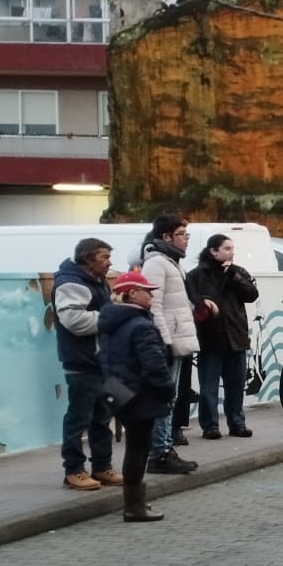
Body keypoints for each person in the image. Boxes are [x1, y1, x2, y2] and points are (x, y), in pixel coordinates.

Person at [97, 269, 177, 524]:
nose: (152, 296)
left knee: (135, 446)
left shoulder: (112, 322)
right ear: (132, 293)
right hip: (142, 394)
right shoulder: (141, 325)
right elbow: (155, 366)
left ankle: (135, 502)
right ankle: (134, 506)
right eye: (147, 292)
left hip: (120, 391)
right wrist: (167, 390)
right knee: (138, 450)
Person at [53, 237, 123, 493]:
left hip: (100, 363)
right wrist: (111, 316)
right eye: (104, 257)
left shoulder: (96, 281)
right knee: (78, 419)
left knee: (102, 418)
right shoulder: (70, 283)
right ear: (87, 259)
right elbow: (74, 321)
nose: (109, 262)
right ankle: (73, 470)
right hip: (82, 363)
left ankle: (102, 466)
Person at [136, 216, 199, 476]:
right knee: (164, 399)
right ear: (166, 237)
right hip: (169, 342)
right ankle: (160, 453)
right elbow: (154, 306)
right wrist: (165, 341)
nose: (186, 239)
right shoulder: (156, 263)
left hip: (177, 340)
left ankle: (164, 449)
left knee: (169, 398)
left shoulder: (172, 262)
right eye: (182, 233)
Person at [185, 233, 260, 439]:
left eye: (232, 249)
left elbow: (252, 295)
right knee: (209, 386)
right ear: (213, 251)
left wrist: (235, 277)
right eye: (227, 248)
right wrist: (203, 302)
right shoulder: (196, 275)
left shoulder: (238, 272)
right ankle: (210, 426)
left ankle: (237, 423)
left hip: (236, 336)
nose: (231, 252)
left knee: (235, 385)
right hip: (210, 338)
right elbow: (191, 300)